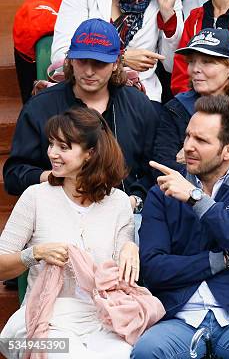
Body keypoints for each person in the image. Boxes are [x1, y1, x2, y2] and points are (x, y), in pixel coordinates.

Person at [132, 95, 229, 358]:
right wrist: (221, 258)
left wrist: (196, 199)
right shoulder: (160, 194)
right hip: (179, 316)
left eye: (201, 140)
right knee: (147, 351)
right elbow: (154, 269)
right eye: (188, 136)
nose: (188, 146)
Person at [0, 107, 139, 358]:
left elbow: (121, 271)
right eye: (51, 144)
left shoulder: (118, 203)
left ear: (90, 153)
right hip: (43, 320)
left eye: (64, 147)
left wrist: (131, 245)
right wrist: (34, 254)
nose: (52, 153)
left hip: (102, 320)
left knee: (123, 355)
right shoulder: (35, 197)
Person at [3, 18, 158, 215]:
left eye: (99, 63)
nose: (89, 71)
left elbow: (155, 168)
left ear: (116, 64)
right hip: (58, 215)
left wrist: (134, 200)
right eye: (82, 61)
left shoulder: (138, 105)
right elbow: (14, 175)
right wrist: (57, 178)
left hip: (124, 214)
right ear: (70, 60)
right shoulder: (40, 107)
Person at [50, 0, 183, 106]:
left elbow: (173, 65)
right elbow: (61, 55)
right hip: (84, 92)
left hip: (140, 97)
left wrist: (168, 15)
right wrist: (121, 58)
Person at [154, 28, 229, 176]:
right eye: (191, 62)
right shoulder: (176, 108)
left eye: (207, 62)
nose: (195, 69)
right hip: (183, 195)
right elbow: (163, 166)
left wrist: (199, 161)